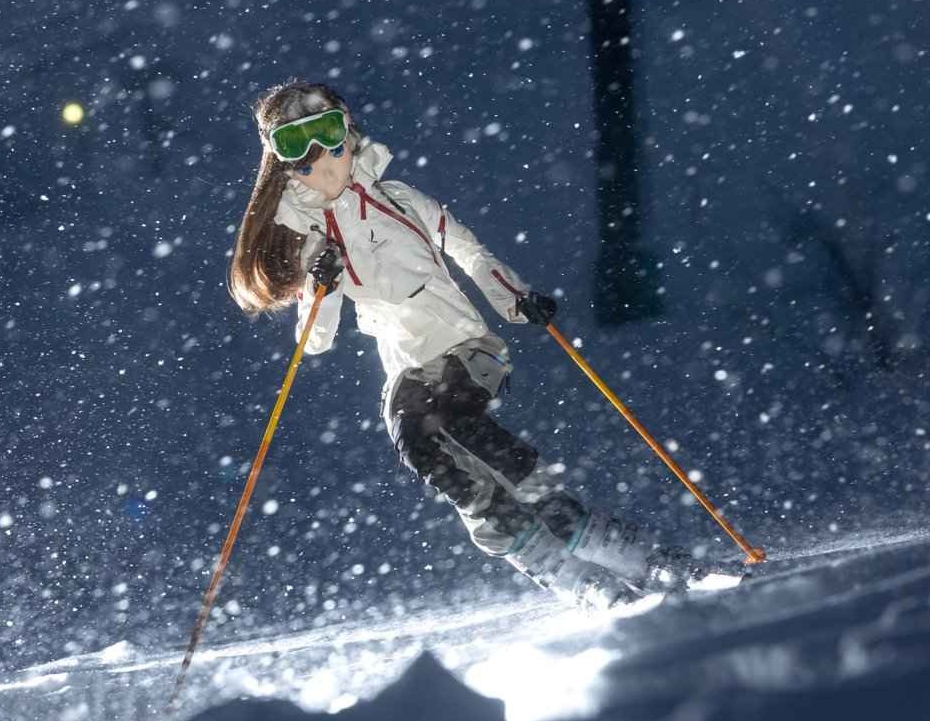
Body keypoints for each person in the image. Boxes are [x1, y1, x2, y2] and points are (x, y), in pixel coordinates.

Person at [228, 80, 730, 610]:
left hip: (467, 345)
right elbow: (316, 339)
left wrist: (515, 298)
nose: (319, 159)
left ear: (350, 134)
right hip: (405, 369)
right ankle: (568, 572)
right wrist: (321, 285)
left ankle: (610, 546)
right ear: (281, 162)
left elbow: (468, 252)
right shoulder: (311, 241)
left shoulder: (399, 200)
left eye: (328, 135)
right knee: (424, 446)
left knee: (444, 417)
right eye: (295, 146)